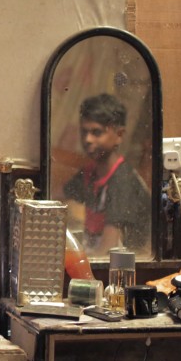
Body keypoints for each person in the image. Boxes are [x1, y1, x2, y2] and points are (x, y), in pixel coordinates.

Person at [62, 93, 150, 257]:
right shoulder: (89, 173)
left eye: (96, 132)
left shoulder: (123, 181)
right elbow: (60, 198)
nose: (87, 139)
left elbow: (108, 251)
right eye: (84, 132)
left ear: (119, 135)